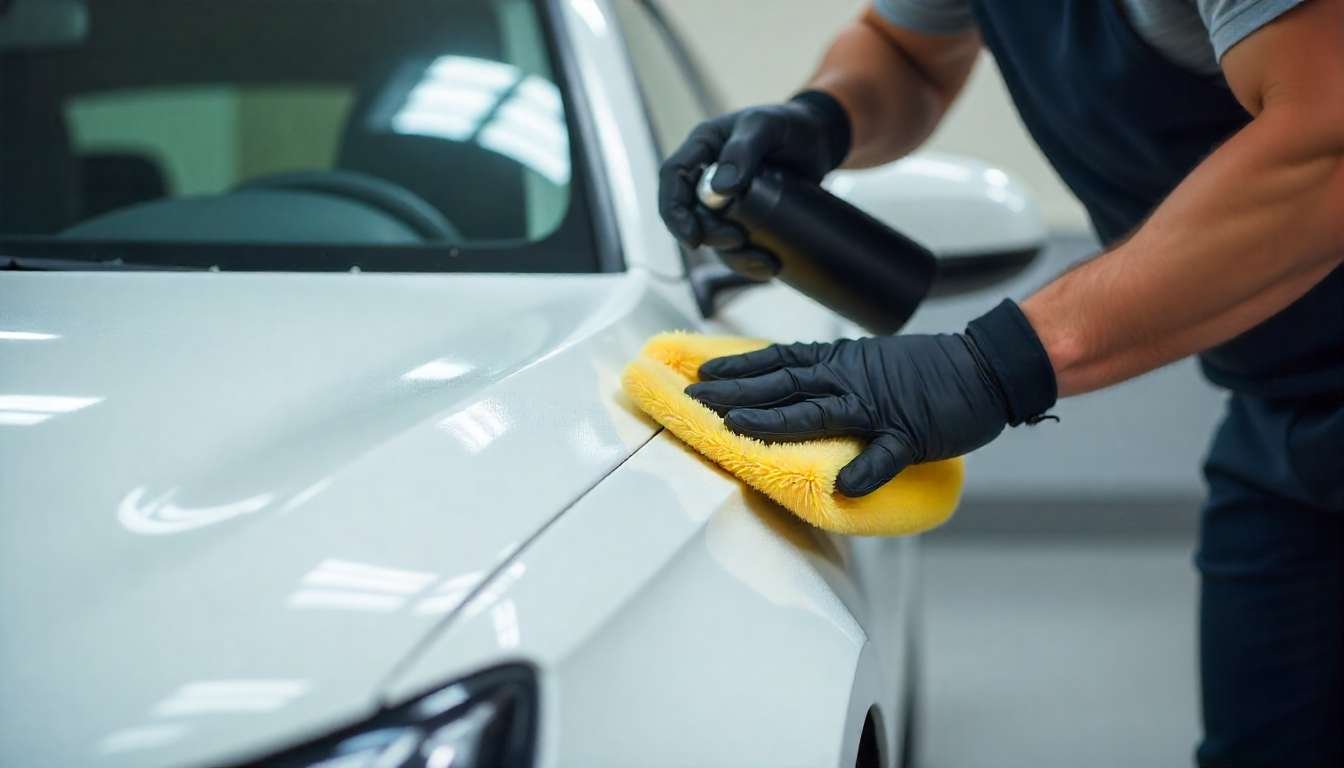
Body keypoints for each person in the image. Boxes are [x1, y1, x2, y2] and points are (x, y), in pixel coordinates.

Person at [658, 1, 1343, 765]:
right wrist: (825, 115)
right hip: (1282, 412)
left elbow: (1327, 142)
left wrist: (995, 363)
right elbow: (906, 53)